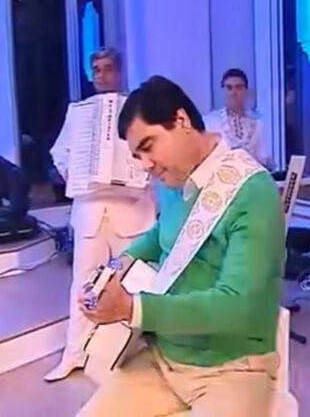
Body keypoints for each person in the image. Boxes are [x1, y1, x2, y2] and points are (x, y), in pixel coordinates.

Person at [75, 75, 286, 416]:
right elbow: (162, 234)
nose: (145, 165)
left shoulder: (253, 191)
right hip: (162, 358)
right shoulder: (172, 180)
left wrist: (130, 307)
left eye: (148, 146)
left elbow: (236, 306)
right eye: (137, 155)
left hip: (233, 369)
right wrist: (112, 270)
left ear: (182, 120)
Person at [44, 48, 157, 382]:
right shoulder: (78, 113)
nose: (102, 75)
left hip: (132, 210)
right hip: (91, 212)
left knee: (135, 282)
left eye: (108, 68)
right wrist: (75, 173)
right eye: (96, 69)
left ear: (119, 72)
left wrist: (140, 173)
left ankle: (135, 352)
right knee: (83, 284)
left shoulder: (139, 108)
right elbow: (59, 152)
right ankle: (75, 352)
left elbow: (153, 149)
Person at [203, 68, 271, 168]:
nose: (233, 93)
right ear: (223, 90)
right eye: (229, 88)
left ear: (245, 90)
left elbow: (263, 159)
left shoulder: (257, 123)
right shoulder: (210, 122)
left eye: (238, 87)